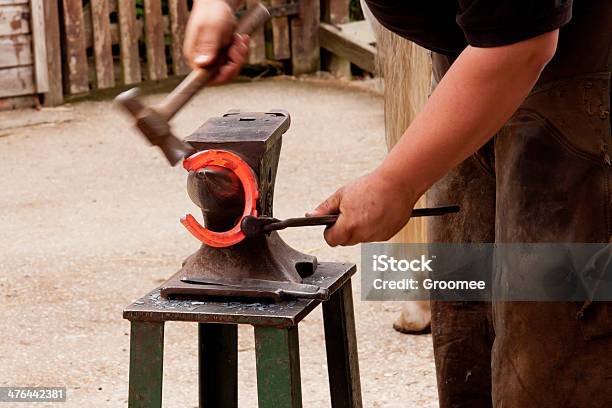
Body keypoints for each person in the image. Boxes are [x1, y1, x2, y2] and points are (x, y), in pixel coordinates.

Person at [184, 0, 612, 406]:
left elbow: (521, 42)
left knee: (550, 341)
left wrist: (396, 183)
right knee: (466, 324)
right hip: (472, 47)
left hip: (570, 55)